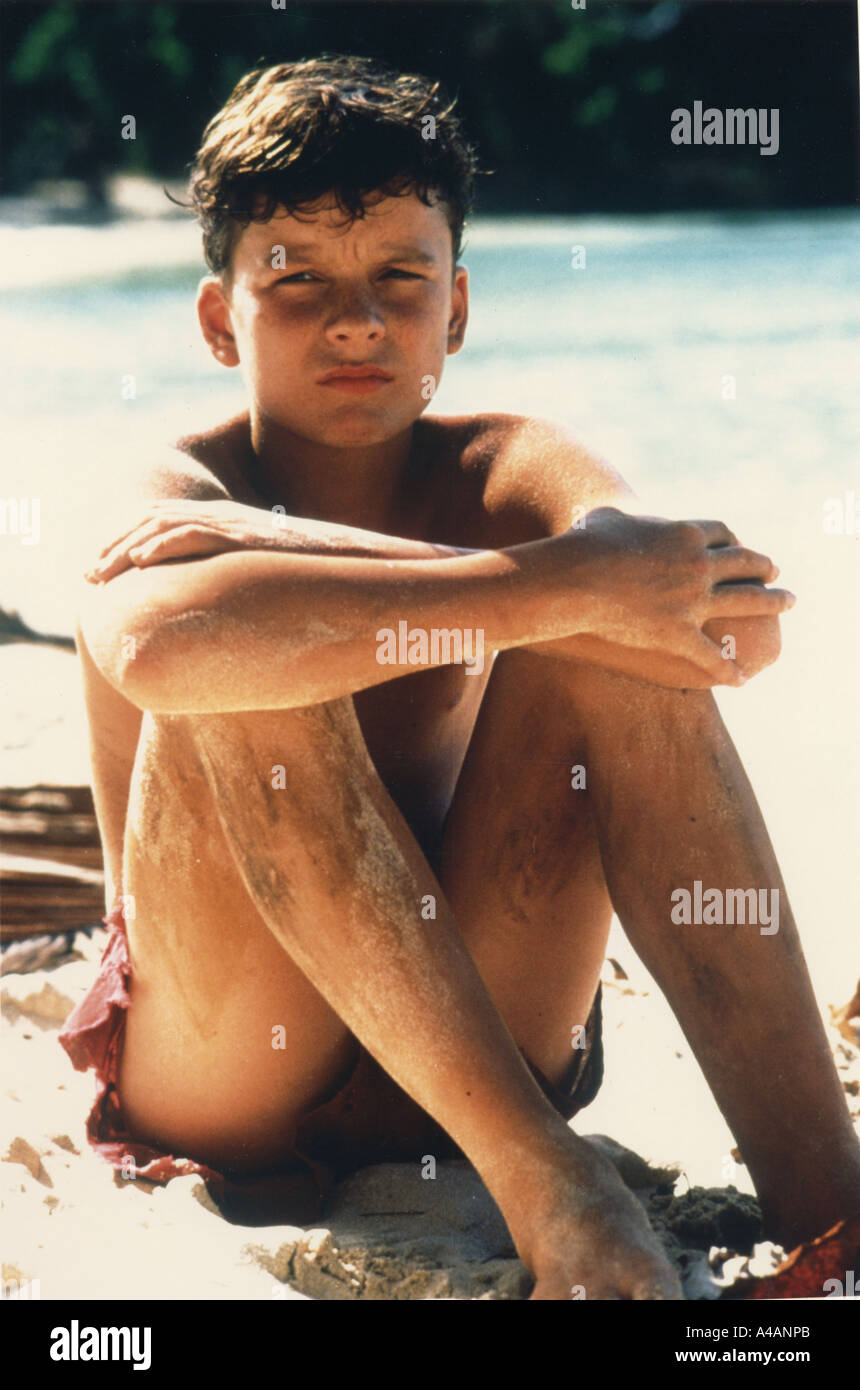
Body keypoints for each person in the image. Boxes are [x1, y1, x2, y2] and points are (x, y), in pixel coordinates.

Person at [63, 55, 860, 1300]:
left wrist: (310, 548)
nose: (356, 322)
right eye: (297, 281)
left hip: (478, 1018)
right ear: (219, 319)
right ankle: (550, 1183)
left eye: (399, 278)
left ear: (458, 308)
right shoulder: (171, 490)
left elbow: (720, 639)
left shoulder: (514, 468)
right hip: (228, 1072)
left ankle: (833, 1202)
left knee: (629, 664)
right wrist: (562, 585)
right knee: (252, 669)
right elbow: (166, 646)